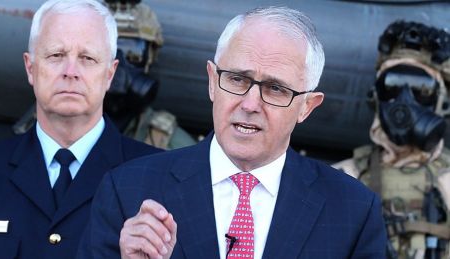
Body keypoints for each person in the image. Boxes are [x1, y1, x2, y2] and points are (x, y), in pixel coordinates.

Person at [78, 6, 387, 259]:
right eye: (238, 79)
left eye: (275, 89)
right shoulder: (127, 189)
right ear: (212, 80)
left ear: (307, 106)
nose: (250, 104)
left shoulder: (353, 212)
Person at [0, 0, 161, 258]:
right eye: (56, 55)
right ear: (30, 68)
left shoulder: (157, 177)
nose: (71, 72)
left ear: (110, 74)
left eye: (87, 58)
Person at [333, 20, 450, 258]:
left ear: (442, 101)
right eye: (392, 86)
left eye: (422, 89)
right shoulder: (342, 178)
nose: (404, 102)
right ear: (376, 98)